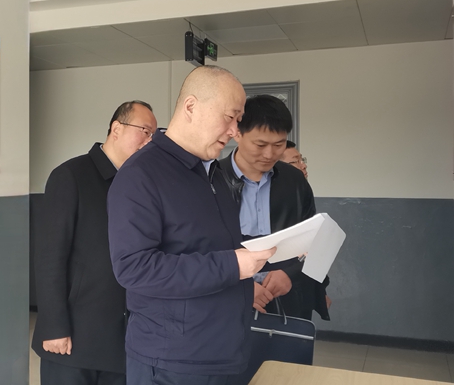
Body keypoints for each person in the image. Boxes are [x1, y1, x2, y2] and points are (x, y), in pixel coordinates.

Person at [107, 66, 275, 385]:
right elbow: (134, 268)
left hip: (223, 351)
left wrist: (267, 249)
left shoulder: (212, 173)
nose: (234, 131)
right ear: (191, 107)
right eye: (230, 117)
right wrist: (233, 266)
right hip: (172, 361)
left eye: (239, 120)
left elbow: (209, 245)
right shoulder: (141, 175)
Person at [32, 101, 157, 385]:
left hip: (123, 338)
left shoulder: (140, 183)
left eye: (153, 135)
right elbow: (50, 257)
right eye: (144, 131)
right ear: (116, 128)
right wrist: (54, 325)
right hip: (73, 340)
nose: (149, 141)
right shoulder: (71, 175)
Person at [220, 94, 329, 321]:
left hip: (288, 300)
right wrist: (241, 287)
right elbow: (197, 249)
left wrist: (290, 275)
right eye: (260, 145)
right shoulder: (212, 180)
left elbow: (316, 241)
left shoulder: (295, 181)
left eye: (279, 145)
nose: (269, 154)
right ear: (237, 133)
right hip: (227, 302)